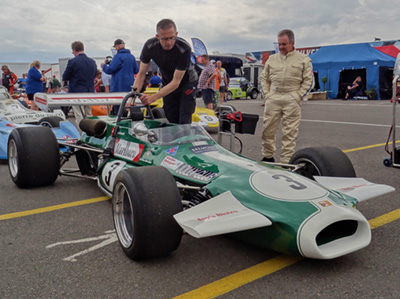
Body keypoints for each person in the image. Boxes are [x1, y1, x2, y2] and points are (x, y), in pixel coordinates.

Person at [260, 29, 313, 164]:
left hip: (292, 97)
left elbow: (309, 80)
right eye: (279, 44)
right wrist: (267, 94)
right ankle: (268, 156)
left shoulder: (303, 59)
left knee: (290, 132)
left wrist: (299, 95)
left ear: (292, 43)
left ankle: (285, 162)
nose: (281, 47)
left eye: (284, 44)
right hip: (274, 96)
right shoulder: (272, 59)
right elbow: (264, 78)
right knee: (268, 129)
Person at [133, 18, 198, 124]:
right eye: (164, 39)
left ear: (176, 34)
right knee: (170, 115)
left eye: (172, 38)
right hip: (168, 81)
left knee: (184, 116)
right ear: (158, 37)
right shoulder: (150, 46)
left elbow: (176, 82)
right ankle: (173, 137)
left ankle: (184, 138)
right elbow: (141, 74)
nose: (168, 42)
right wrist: (133, 96)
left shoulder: (184, 48)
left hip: (187, 82)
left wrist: (153, 98)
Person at [62, 41, 97, 123]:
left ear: (74, 50)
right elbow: (94, 75)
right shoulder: (92, 62)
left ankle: (81, 134)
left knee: (79, 115)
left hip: (76, 92)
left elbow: (65, 76)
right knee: (88, 115)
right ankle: (89, 133)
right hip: (90, 92)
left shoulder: (72, 62)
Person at [102, 39, 139, 115]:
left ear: (117, 46)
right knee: (128, 108)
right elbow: (136, 70)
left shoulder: (117, 57)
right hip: (130, 86)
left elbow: (110, 70)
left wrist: (104, 66)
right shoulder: (132, 57)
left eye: (115, 47)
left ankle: (118, 124)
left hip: (118, 87)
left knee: (118, 109)